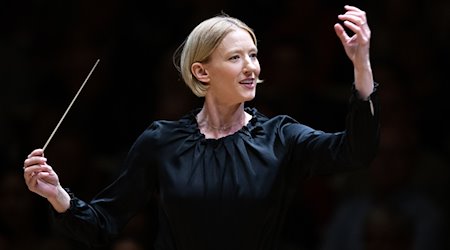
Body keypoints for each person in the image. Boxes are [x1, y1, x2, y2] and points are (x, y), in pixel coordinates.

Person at [23, 5, 380, 250]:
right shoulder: (161, 141)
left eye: (253, 55)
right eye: (236, 57)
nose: (252, 68)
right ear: (202, 71)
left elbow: (355, 151)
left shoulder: (281, 137)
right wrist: (57, 195)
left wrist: (361, 65)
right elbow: (103, 223)